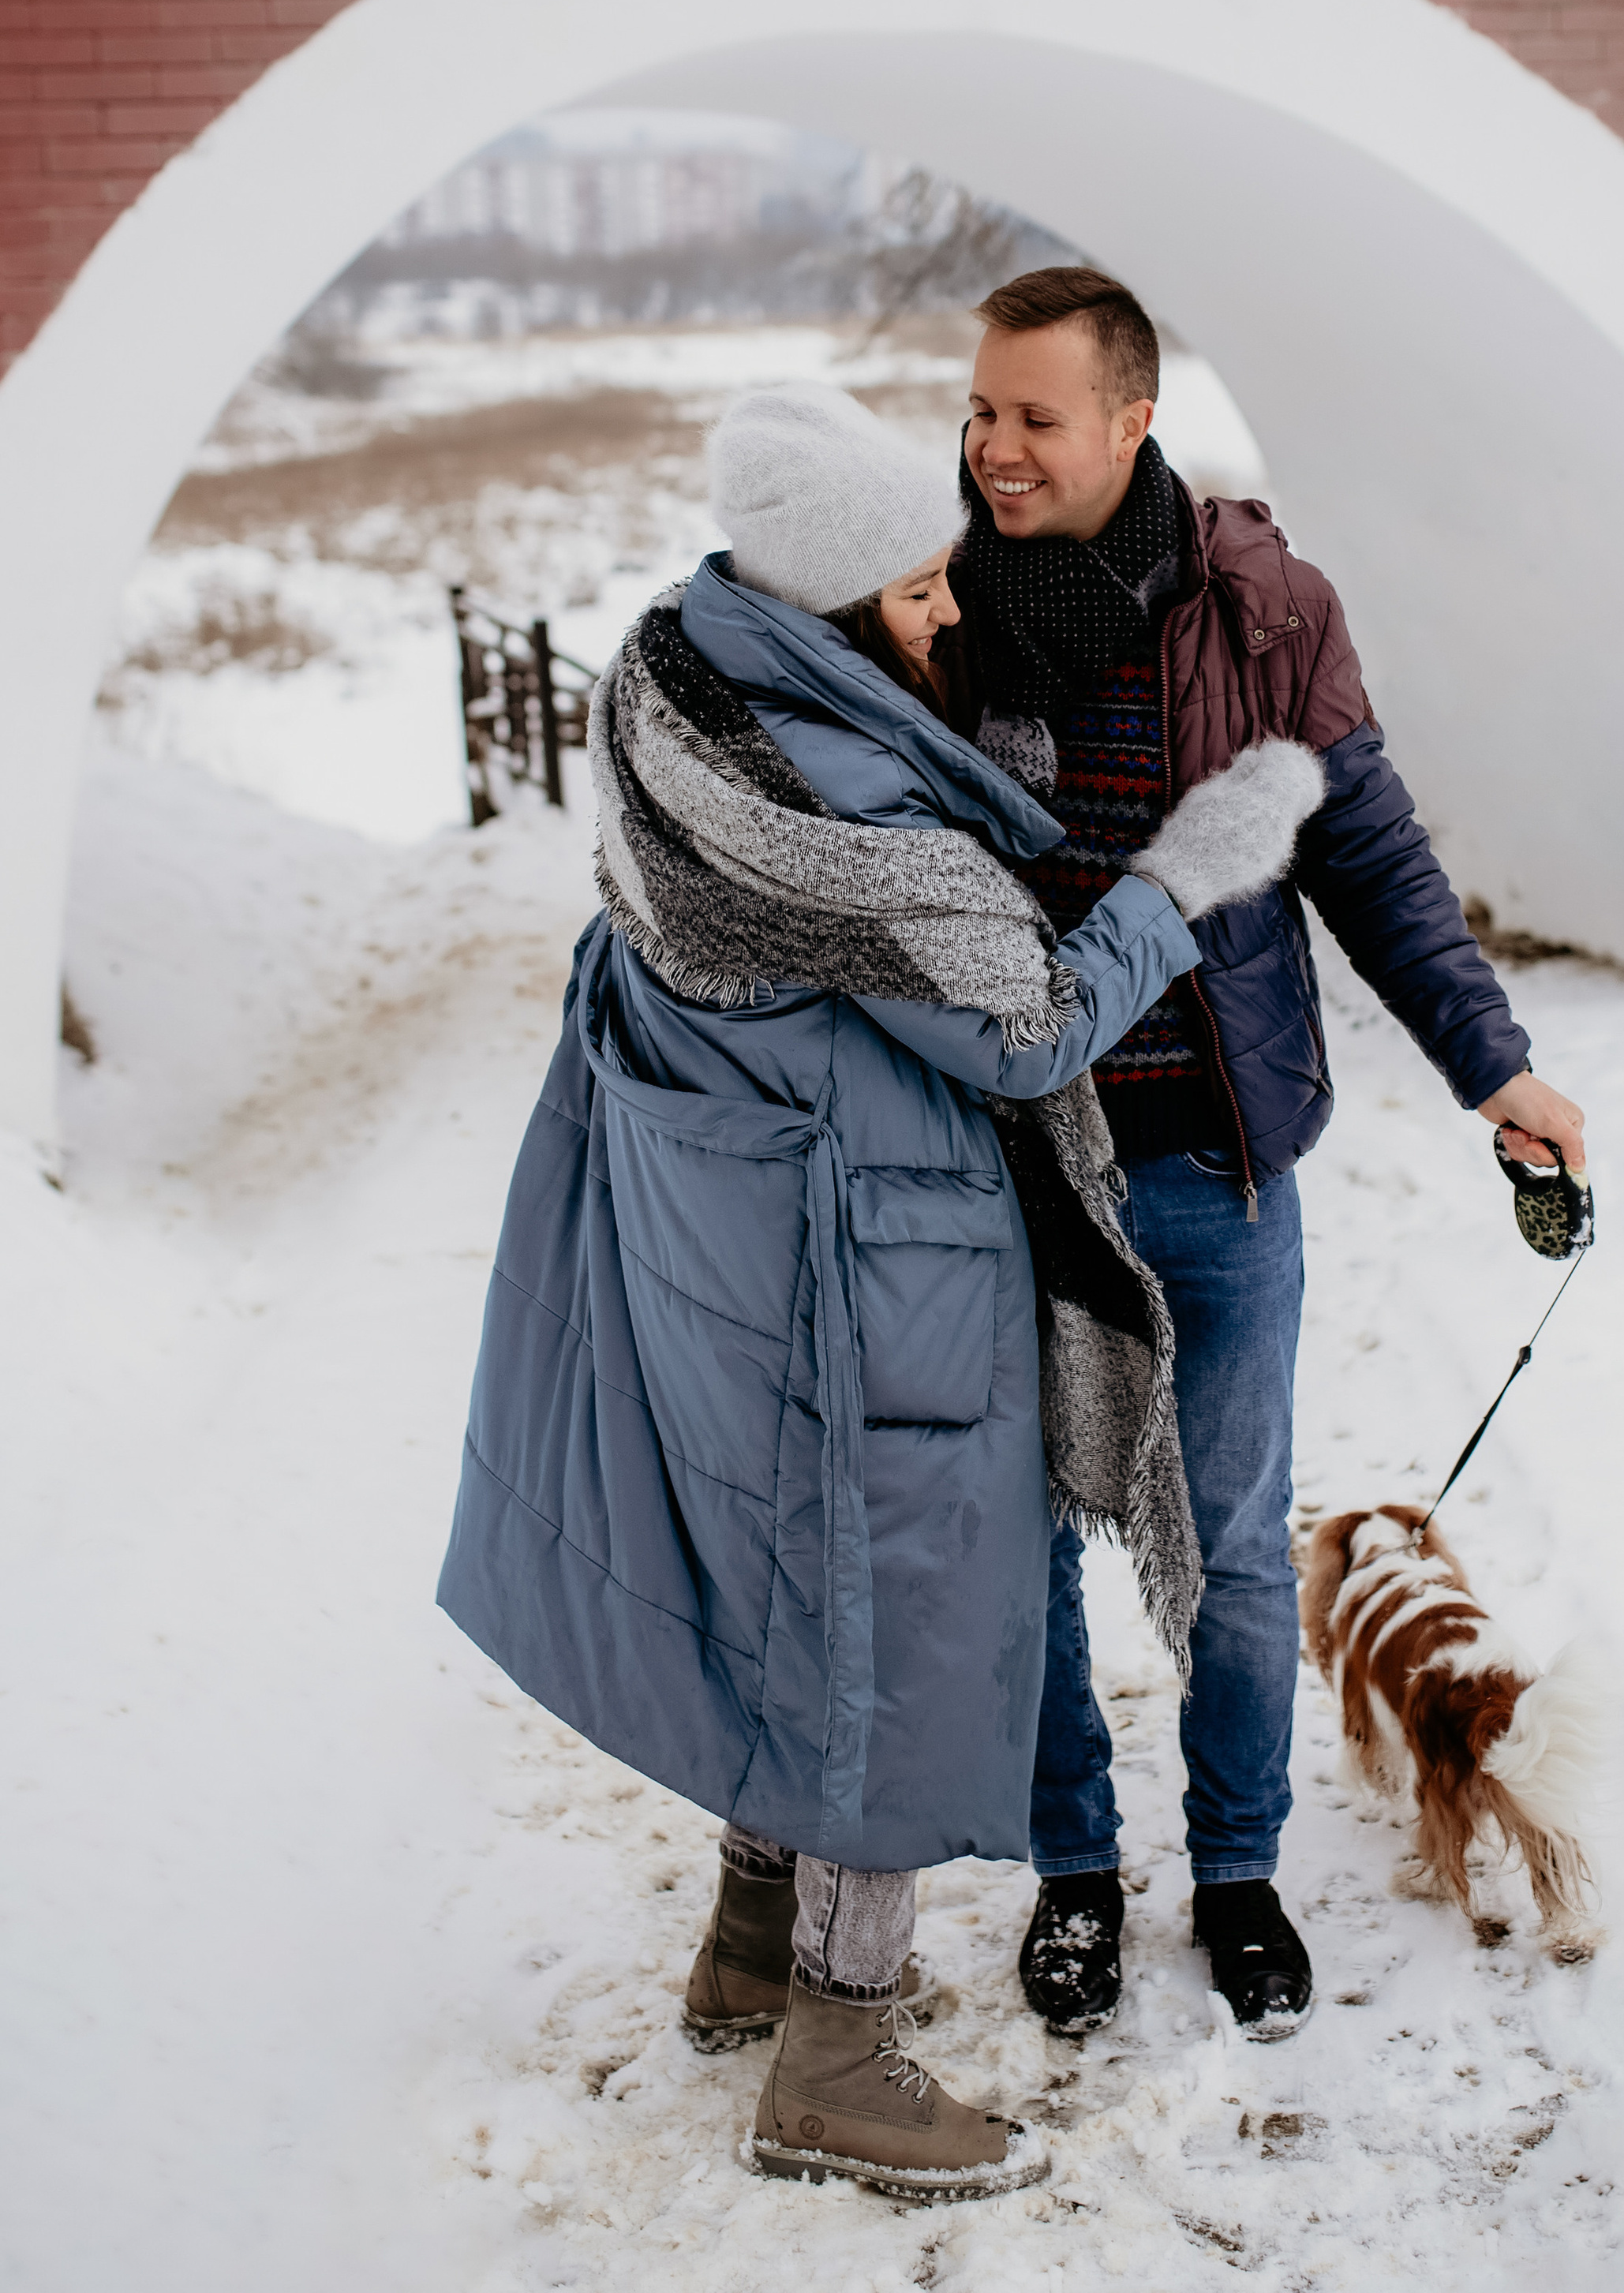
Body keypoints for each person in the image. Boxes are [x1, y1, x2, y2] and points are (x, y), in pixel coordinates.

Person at [436, 383, 1323, 2199]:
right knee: (888, 1620)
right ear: (832, 611)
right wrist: (1183, 875)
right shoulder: (848, 822)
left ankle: (747, 1946)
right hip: (863, 1262)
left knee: (792, 1594)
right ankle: (838, 2055)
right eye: (919, 589)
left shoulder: (671, 697)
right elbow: (1029, 1024)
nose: (950, 607)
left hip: (729, 1240)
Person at [941, 267, 1588, 2044]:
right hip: (1000, 1174)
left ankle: (1235, 1873)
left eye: (1032, 418)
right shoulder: (926, 615)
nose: (992, 449)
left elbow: (1366, 857)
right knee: (1025, 1550)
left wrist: (1493, 1067)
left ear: (1132, 419)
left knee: (1229, 1552)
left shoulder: (1266, 612)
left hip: (1212, 1176)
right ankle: (1074, 1869)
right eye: (978, 412)